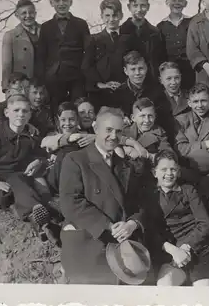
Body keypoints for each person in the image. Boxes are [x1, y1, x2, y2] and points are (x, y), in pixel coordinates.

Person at [59, 107, 146, 284]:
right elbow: (70, 202)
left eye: (118, 131)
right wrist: (107, 225)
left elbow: (138, 204)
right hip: (87, 244)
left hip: (118, 249)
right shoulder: (75, 159)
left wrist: (132, 223)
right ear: (95, 128)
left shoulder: (125, 167)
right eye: (108, 130)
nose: (114, 136)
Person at [0, 94, 58, 241]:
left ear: (30, 114)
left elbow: (41, 155)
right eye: (16, 110)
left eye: (25, 111)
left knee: (25, 183)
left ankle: (39, 221)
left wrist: (38, 161)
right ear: (7, 113)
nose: (21, 114)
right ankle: (35, 212)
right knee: (10, 190)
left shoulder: (30, 136)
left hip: (20, 175)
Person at [142, 150, 209, 286]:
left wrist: (185, 247)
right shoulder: (150, 196)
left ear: (179, 171)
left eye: (173, 169)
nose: (169, 174)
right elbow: (151, 231)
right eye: (164, 169)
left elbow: (205, 224)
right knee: (164, 287)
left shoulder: (189, 190)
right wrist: (174, 251)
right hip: (171, 254)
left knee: (204, 295)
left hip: (198, 249)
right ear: (154, 172)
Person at [36, 0, 90, 112]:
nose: (61, 4)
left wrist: (83, 71)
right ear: (52, 3)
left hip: (76, 76)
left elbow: (88, 50)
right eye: (57, 0)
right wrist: (42, 78)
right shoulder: (46, 27)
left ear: (70, 2)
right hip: (53, 77)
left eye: (65, 0)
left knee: (77, 107)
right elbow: (41, 55)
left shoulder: (81, 24)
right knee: (56, 108)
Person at [174, 83, 209, 197]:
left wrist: (206, 155)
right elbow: (180, 149)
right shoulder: (180, 120)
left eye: (203, 101)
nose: (200, 105)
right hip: (188, 170)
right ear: (189, 103)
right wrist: (205, 144)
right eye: (195, 102)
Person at [82, 0, 134, 110]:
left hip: (125, 90)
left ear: (121, 16)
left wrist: (126, 83)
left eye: (115, 15)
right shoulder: (94, 40)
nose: (111, 19)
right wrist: (101, 84)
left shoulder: (129, 40)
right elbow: (87, 66)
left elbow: (134, 63)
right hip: (101, 93)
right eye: (107, 15)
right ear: (101, 16)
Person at [112, 51, 170, 132]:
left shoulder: (157, 91)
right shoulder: (118, 94)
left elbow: (164, 118)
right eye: (133, 69)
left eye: (141, 68)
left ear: (146, 68)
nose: (137, 73)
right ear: (126, 71)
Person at [120, 0, 167, 81]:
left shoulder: (155, 32)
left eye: (143, 6)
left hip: (151, 80)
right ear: (129, 7)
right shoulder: (121, 31)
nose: (139, 9)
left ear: (148, 7)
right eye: (135, 6)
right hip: (128, 82)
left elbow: (161, 59)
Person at [157, 0, 195, 90]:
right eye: (174, 0)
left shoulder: (192, 22)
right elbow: (159, 53)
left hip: (190, 70)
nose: (177, 3)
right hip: (171, 74)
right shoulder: (160, 26)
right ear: (167, 2)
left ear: (185, 3)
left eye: (180, 0)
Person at [1, 0, 41, 93]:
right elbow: (6, 65)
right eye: (24, 13)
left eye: (31, 12)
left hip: (43, 85)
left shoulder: (46, 31)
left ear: (35, 13)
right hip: (22, 85)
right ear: (17, 15)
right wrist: (7, 89)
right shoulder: (10, 36)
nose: (28, 16)